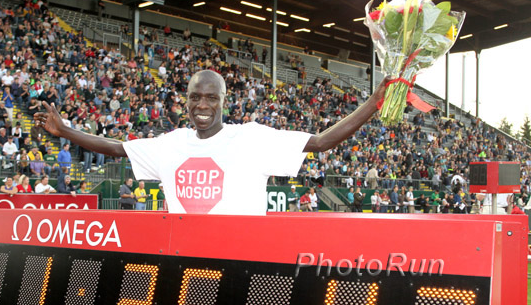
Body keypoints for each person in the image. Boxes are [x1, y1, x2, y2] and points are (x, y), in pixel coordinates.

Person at [35, 70, 388, 215]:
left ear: (224, 101)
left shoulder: (250, 137)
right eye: (195, 97)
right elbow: (116, 148)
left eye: (211, 98)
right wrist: (65, 131)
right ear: (186, 100)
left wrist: (373, 103)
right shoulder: (171, 143)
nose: (202, 105)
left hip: (244, 263)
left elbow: (321, 142)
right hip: (185, 261)